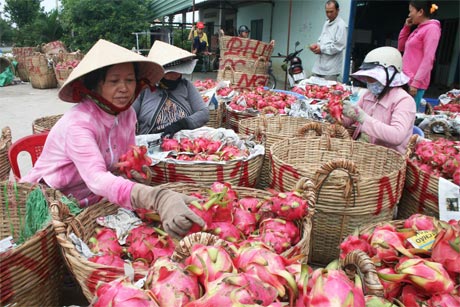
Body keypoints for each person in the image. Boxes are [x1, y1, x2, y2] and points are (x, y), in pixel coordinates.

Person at [20, 39, 204, 239]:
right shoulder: (79, 123)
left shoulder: (127, 115)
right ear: (96, 85)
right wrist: (157, 198)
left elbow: (123, 162)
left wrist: (136, 171)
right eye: (114, 81)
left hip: (92, 200)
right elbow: (97, 179)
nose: (124, 88)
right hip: (53, 203)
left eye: (130, 80)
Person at [339, 46, 416, 155]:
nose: (368, 82)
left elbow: (397, 136)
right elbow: (349, 120)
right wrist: (338, 116)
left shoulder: (404, 100)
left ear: (389, 76)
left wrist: (363, 118)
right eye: (367, 78)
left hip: (384, 158)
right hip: (361, 149)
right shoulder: (369, 94)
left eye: (372, 78)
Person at [133, 40, 210, 136]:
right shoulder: (144, 89)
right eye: (170, 73)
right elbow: (127, 116)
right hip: (151, 142)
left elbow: (204, 113)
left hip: (184, 140)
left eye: (178, 72)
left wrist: (183, 123)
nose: (175, 76)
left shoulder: (186, 86)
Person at [398, 1, 441, 112]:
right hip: (405, 80)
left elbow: (429, 58)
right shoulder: (419, 29)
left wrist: (415, 83)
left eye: (411, 11)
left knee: (406, 116)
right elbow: (401, 47)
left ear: (420, 12)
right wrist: (406, 28)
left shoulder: (432, 29)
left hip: (413, 84)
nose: (409, 15)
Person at [309, 0, 348, 81]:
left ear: (337, 11)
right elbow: (321, 40)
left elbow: (339, 46)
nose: (329, 14)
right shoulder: (326, 23)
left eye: (331, 11)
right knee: (314, 90)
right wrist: (316, 46)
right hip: (319, 67)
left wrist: (321, 49)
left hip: (330, 70)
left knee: (327, 91)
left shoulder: (341, 25)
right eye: (327, 12)